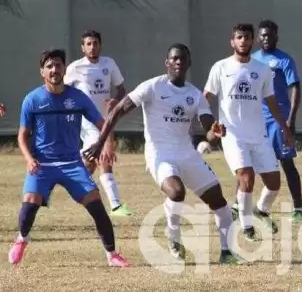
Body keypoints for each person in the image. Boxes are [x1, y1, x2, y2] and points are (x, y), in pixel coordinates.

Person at [87, 44, 244, 265]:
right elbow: (117, 110)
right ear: (167, 63)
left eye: (183, 59)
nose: (179, 62)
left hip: (187, 154)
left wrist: (214, 132)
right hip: (159, 153)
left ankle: (227, 252)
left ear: (189, 63)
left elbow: (208, 129)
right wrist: (101, 143)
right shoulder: (152, 87)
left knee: (219, 202)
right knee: (176, 191)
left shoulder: (194, 94)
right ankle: (173, 234)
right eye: (174, 59)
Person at [8, 49, 129, 267]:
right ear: (42, 72)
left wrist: (105, 144)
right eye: (50, 66)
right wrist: (29, 159)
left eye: (58, 65)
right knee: (29, 204)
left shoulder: (78, 97)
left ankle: (112, 255)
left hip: (73, 163)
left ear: (65, 69)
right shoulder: (32, 99)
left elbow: (103, 125)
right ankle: (22, 239)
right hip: (42, 164)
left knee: (97, 207)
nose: (54, 70)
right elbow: (22, 135)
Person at [203, 24, 295, 241]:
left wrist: (284, 126)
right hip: (232, 135)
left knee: (274, 183)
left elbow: (271, 100)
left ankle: (261, 210)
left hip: (259, 135)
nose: (243, 41)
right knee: (246, 176)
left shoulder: (262, 70)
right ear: (232, 42)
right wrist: (206, 122)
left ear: (252, 41)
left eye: (246, 37)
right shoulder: (221, 67)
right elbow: (205, 96)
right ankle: (246, 227)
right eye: (239, 37)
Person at [64, 30, 133, 217]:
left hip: (105, 119)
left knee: (89, 164)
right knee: (104, 155)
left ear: (99, 45)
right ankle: (116, 205)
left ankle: (72, 177)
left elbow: (121, 90)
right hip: (86, 121)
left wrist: (115, 100)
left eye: (95, 43)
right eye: (88, 44)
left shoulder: (109, 64)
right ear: (82, 47)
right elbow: (63, 92)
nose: (92, 47)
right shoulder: (74, 68)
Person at [251, 19, 302, 222]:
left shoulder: (284, 60)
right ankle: (242, 206)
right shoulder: (252, 60)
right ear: (258, 37)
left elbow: (295, 88)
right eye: (263, 35)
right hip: (256, 121)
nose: (266, 38)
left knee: (287, 163)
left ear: (276, 36)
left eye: (270, 35)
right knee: (249, 163)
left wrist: (290, 119)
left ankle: (298, 208)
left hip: (278, 121)